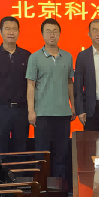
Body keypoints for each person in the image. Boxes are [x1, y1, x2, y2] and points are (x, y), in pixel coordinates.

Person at [26, 17, 74, 179]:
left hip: (63, 113)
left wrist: (73, 106)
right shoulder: (34, 57)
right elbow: (30, 85)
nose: (52, 35)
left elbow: (70, 83)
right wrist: (31, 111)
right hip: (42, 114)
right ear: (42, 34)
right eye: (48, 32)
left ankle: (60, 187)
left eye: (55, 31)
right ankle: (41, 187)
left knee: (61, 154)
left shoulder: (67, 56)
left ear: (59, 34)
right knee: (42, 154)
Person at [0, 16, 32, 153]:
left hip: (22, 109)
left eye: (14, 29)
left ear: (19, 32)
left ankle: (20, 168)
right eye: (7, 29)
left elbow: (31, 85)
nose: (11, 32)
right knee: (0, 148)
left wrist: (31, 109)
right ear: (0, 32)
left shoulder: (27, 55)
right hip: (0, 109)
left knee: (21, 148)